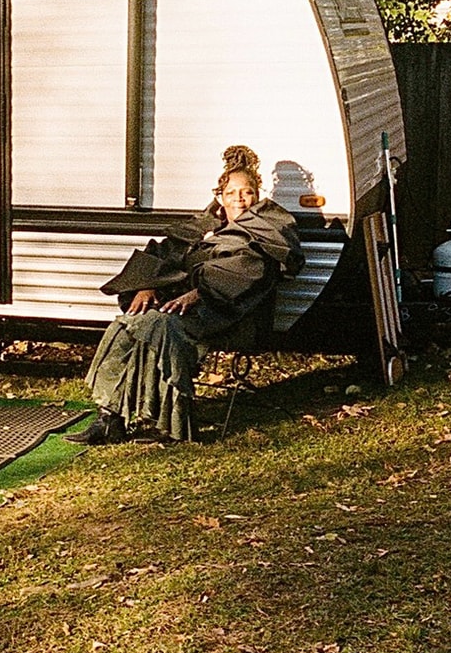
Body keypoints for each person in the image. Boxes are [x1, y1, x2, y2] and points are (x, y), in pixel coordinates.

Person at [69, 145, 304, 445]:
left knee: (158, 325)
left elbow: (247, 272)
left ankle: (173, 425)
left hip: (232, 316)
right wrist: (147, 285)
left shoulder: (266, 231)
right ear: (220, 197)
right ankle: (109, 418)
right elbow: (163, 255)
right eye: (231, 193)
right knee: (127, 324)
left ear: (257, 195)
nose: (239, 199)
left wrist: (198, 293)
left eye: (247, 192)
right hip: (187, 312)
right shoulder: (205, 227)